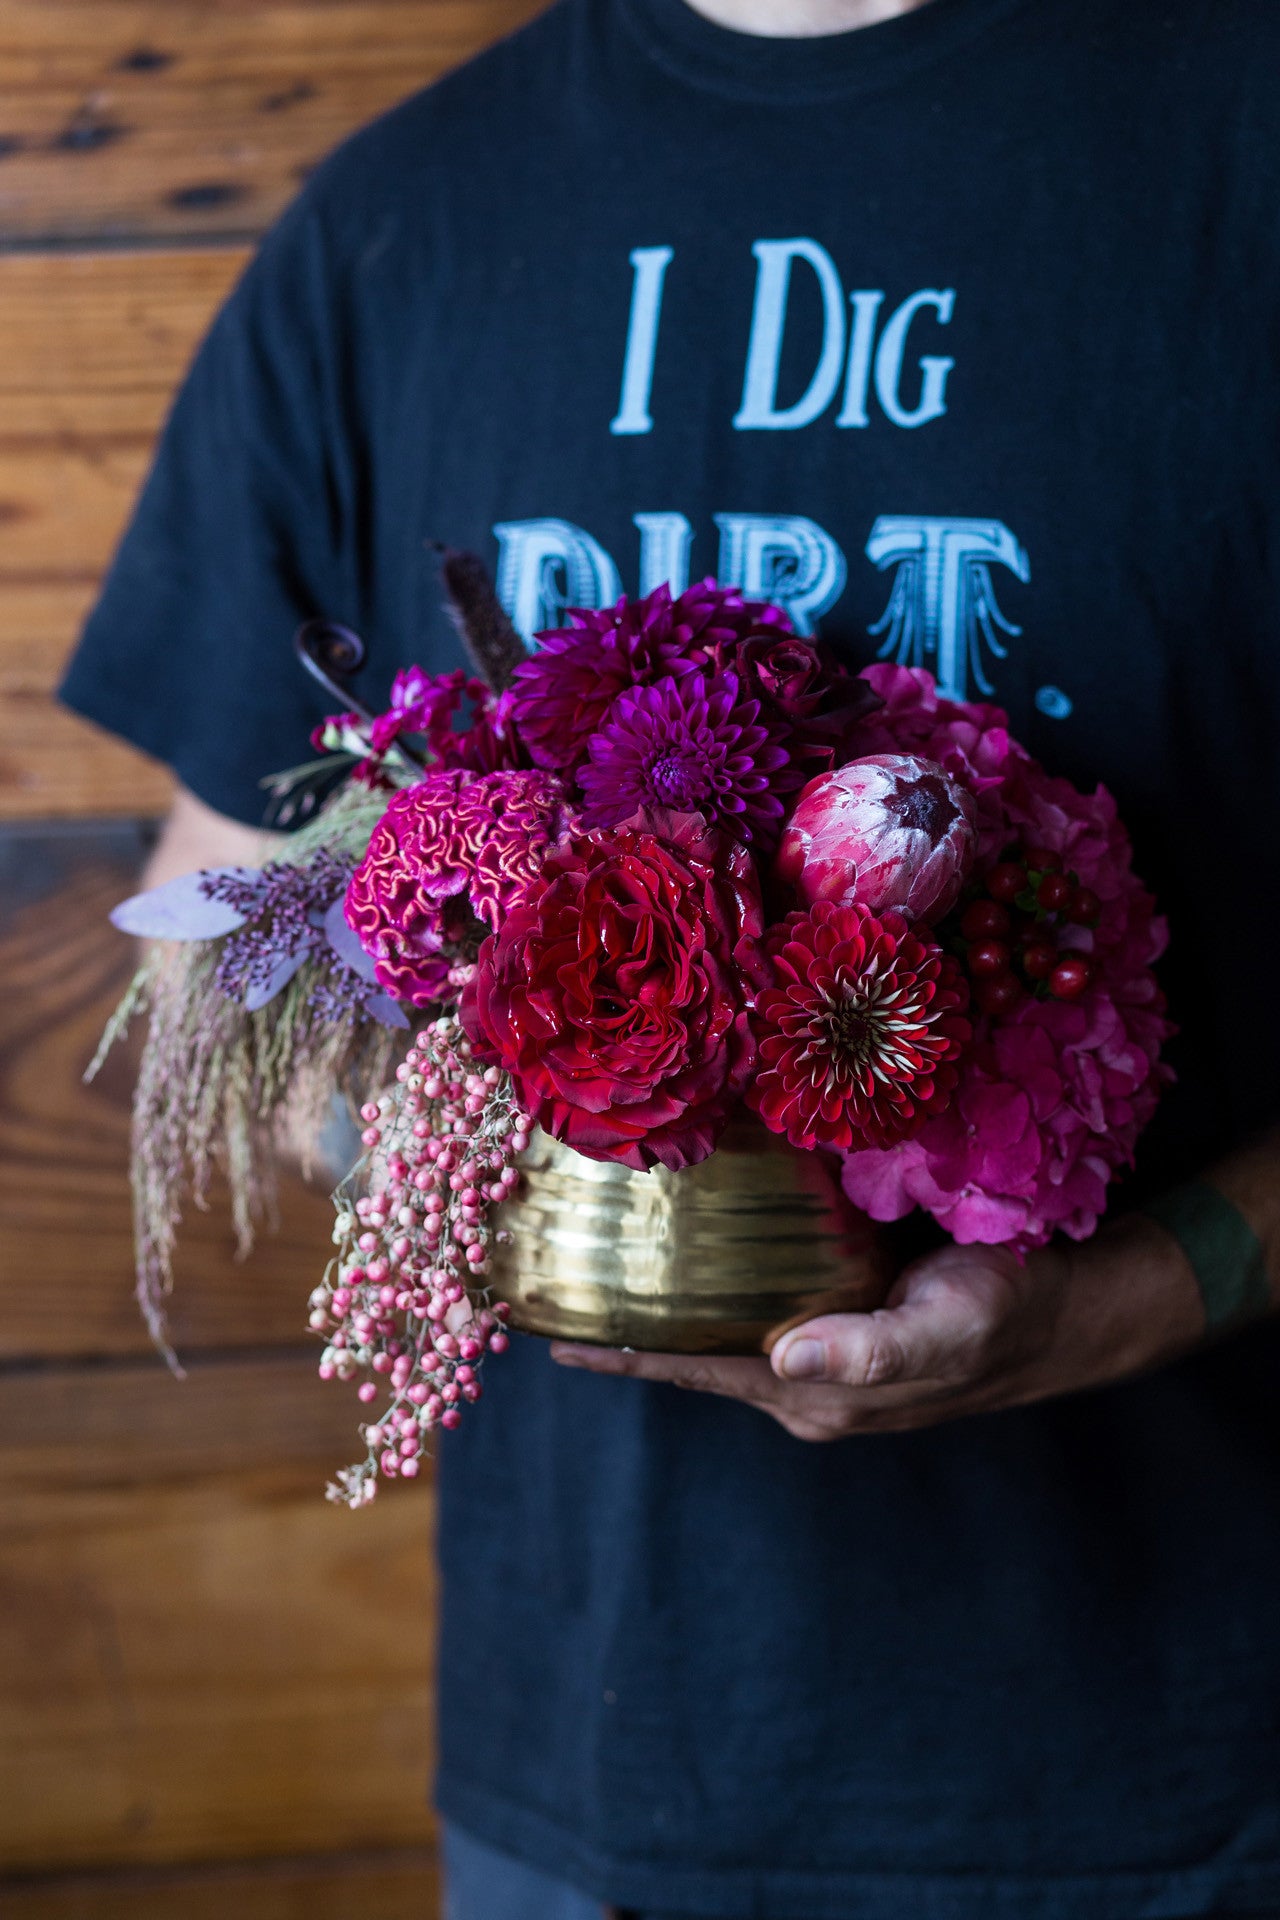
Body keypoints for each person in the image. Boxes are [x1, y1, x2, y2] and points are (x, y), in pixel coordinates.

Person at [60, 0, 1280, 1912]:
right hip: (595, 1804)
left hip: (1197, 1800)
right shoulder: (397, 230)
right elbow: (226, 951)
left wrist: (1133, 1293)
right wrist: (444, 1151)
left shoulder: (1239, 142)